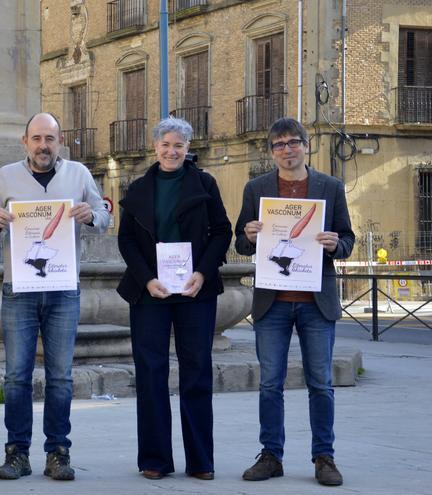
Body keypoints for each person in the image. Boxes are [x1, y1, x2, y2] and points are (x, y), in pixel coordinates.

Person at [0, 112, 110, 481]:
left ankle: (58, 452)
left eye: (49, 139)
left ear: (60, 141)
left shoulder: (79, 175)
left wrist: (91, 215)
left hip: (63, 288)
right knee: (16, 376)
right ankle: (17, 453)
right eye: (36, 139)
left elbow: (103, 217)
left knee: (61, 376)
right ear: (26, 142)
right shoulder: (6, 175)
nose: (43, 146)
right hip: (18, 289)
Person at [235, 117, 354, 487]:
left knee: (321, 383)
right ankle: (271, 455)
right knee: (270, 383)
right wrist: (250, 235)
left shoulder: (330, 187)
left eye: (293, 142)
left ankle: (324, 457)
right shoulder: (256, 189)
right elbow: (240, 243)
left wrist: (336, 244)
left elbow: (347, 240)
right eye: (279, 144)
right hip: (272, 303)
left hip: (316, 302)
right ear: (272, 152)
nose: (287, 150)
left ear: (306, 146)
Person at [116, 117, 232, 481]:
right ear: (155, 147)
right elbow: (127, 241)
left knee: (196, 372)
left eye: (179, 145)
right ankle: (155, 460)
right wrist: (146, 279)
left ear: (187, 148)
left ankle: (201, 461)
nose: (172, 151)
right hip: (151, 293)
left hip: (195, 292)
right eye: (166, 144)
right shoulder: (137, 188)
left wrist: (204, 272)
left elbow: (221, 231)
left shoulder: (205, 183)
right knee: (151, 373)